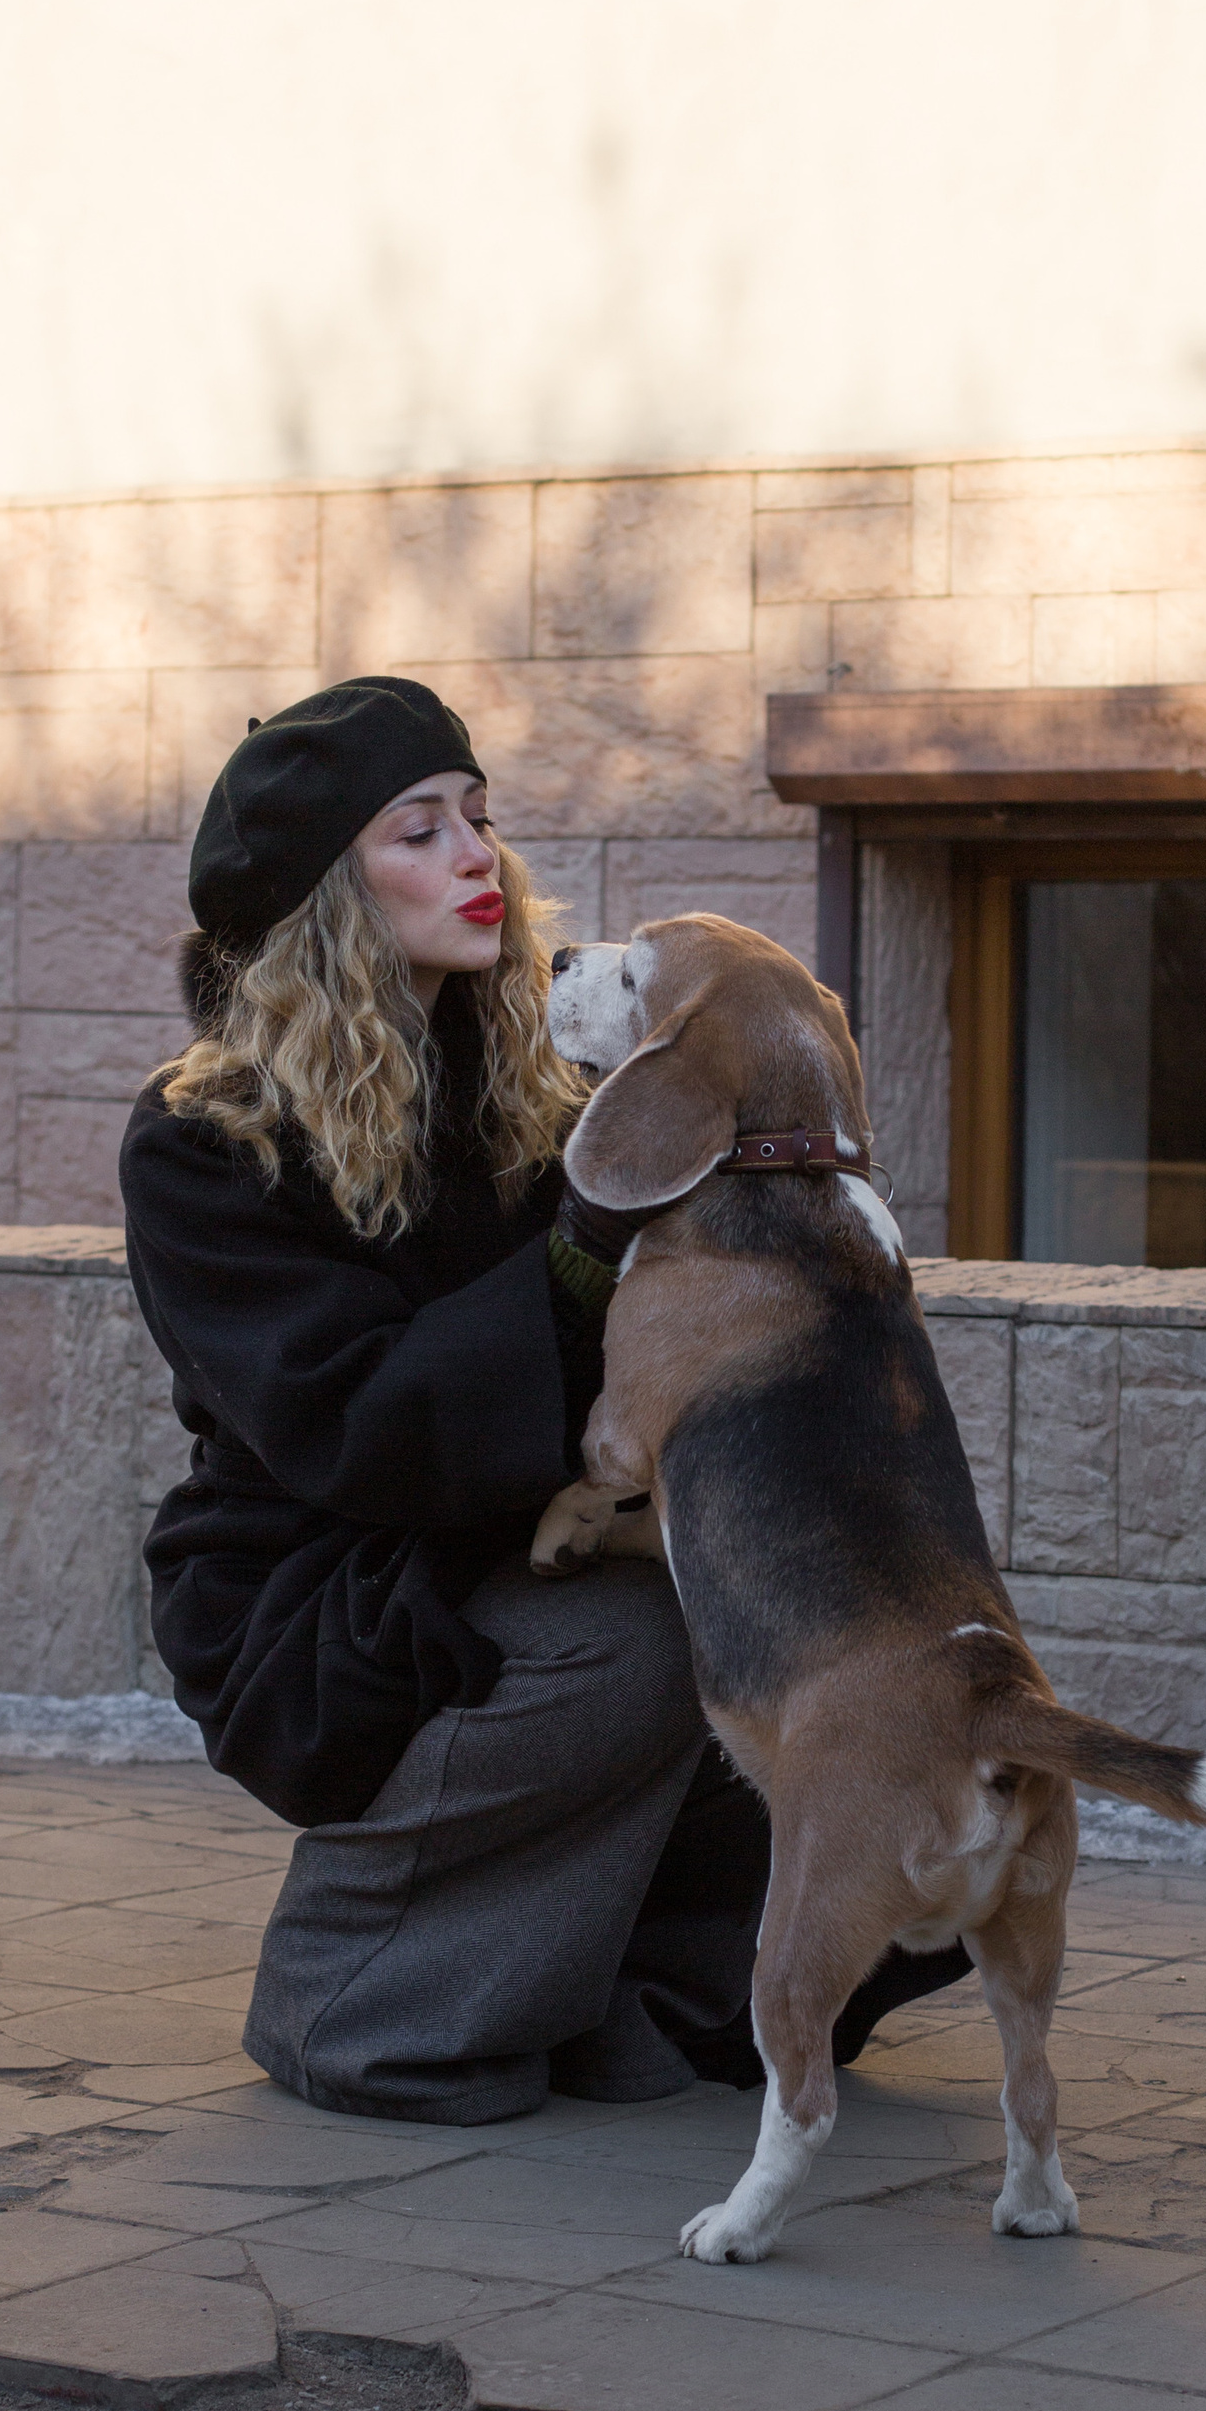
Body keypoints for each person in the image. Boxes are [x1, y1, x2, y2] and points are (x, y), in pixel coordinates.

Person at [120, 675, 963, 2126]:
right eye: (418, 829)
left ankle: (644, 1992)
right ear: (329, 889)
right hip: (322, 1586)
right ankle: (360, 2003)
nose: (474, 858)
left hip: (525, 1533)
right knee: (635, 1643)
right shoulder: (206, 1140)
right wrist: (582, 1239)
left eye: (481, 819)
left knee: (798, 1634)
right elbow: (355, 1428)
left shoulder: (553, 1091)